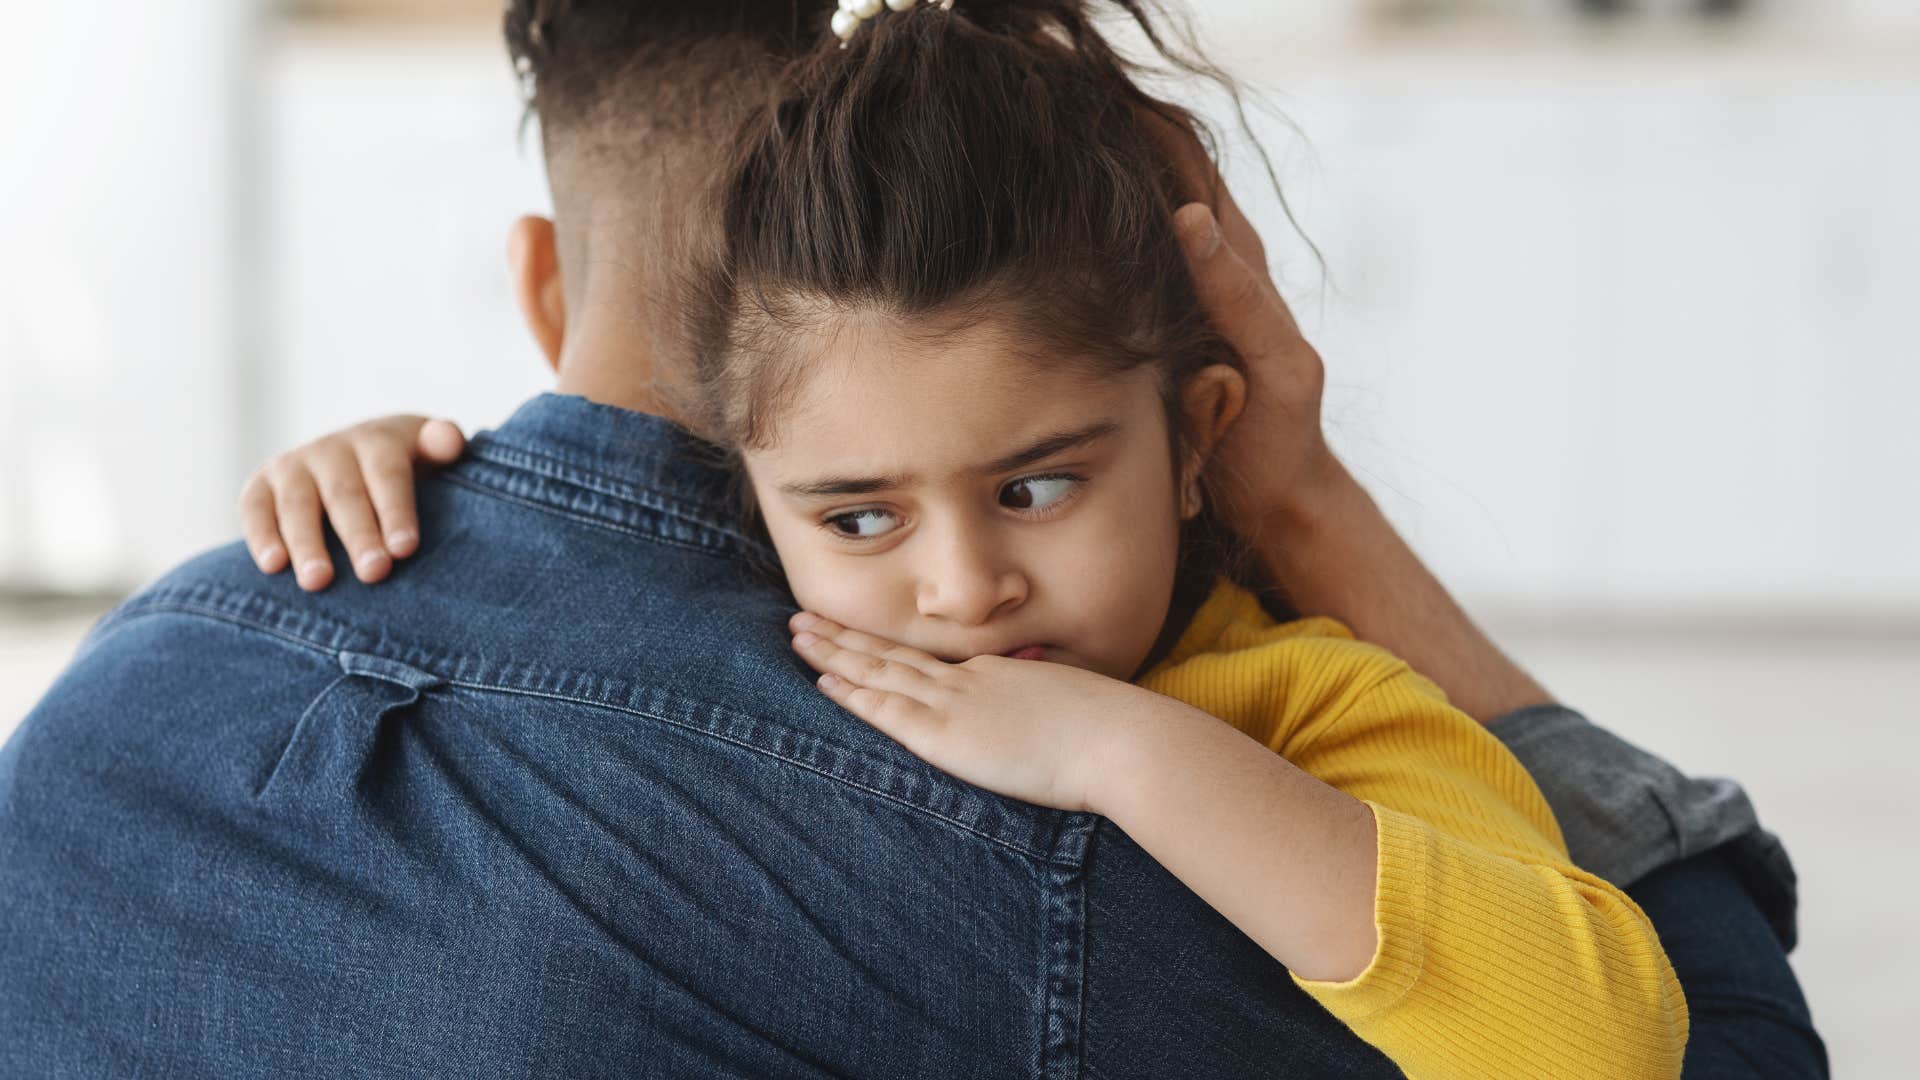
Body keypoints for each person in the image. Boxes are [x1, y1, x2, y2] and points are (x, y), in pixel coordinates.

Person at [1, 2, 1822, 1077]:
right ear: (759, 414)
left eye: (1033, 482)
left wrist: (1125, 740)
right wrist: (1311, 510)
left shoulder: (107, 706)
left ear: (548, 295)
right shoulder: (1013, 864)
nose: (958, 593)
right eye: (859, 511)